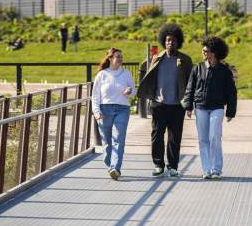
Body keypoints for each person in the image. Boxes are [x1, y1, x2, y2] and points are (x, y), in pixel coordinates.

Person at [138, 23, 193, 178]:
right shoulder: (157, 58)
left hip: (177, 105)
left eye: (173, 40)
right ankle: (158, 165)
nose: (170, 43)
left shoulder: (185, 60)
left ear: (178, 42)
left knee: (174, 138)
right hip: (159, 105)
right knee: (156, 137)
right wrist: (149, 98)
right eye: (168, 40)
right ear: (164, 41)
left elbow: (191, 83)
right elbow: (149, 77)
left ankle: (173, 166)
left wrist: (189, 104)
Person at [182, 36, 237, 180]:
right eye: (203, 50)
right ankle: (206, 169)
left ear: (214, 52)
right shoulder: (198, 68)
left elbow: (232, 92)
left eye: (206, 50)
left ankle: (216, 169)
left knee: (214, 136)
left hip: (217, 107)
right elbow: (190, 88)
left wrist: (231, 111)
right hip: (200, 107)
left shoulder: (224, 71)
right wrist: (188, 106)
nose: (204, 52)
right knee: (203, 139)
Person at [91, 48, 136, 180]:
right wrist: (96, 111)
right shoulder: (102, 75)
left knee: (119, 138)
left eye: (122, 57)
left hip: (122, 109)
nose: (121, 59)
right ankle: (109, 163)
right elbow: (95, 96)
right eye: (118, 56)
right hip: (105, 110)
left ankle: (115, 167)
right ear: (110, 59)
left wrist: (130, 91)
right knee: (107, 141)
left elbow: (134, 91)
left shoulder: (126, 73)